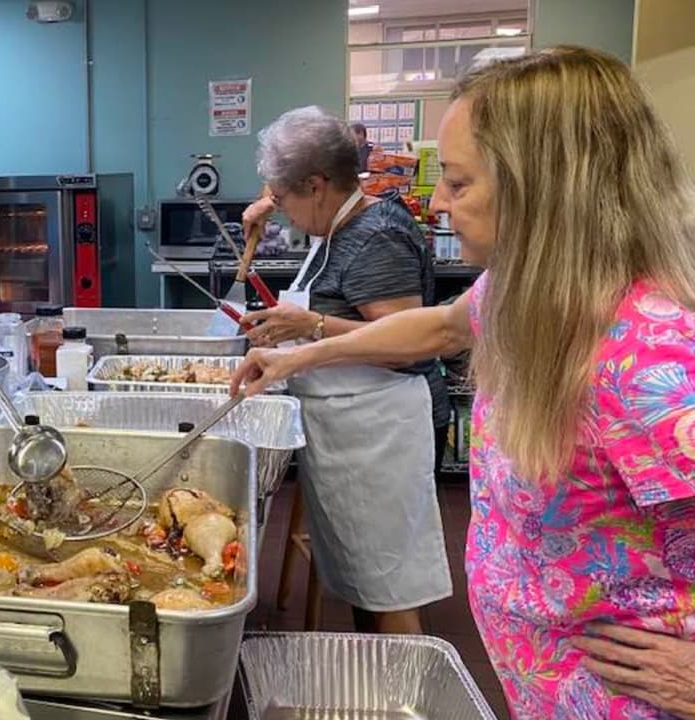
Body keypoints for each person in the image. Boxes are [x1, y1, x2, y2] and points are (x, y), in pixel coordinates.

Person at [231, 47, 695, 719]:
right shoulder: (518, 290)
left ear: (544, 187)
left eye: (458, 182)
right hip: (546, 691)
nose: (440, 203)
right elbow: (438, 328)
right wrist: (290, 360)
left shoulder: (652, 357)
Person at [239, 106, 451, 635]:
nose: (282, 212)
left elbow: (403, 343)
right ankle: (377, 675)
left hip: (382, 431)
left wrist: (308, 325)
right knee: (361, 576)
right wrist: (259, 217)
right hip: (347, 427)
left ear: (316, 185)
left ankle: (403, 695)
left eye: (285, 199)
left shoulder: (375, 235)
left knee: (387, 585)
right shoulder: (334, 220)